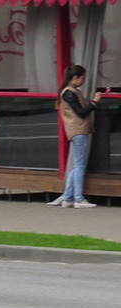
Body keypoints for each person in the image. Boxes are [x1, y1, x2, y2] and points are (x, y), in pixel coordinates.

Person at [57, 64, 100, 209]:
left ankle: (68, 197)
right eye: (82, 78)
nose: (83, 81)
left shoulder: (69, 92)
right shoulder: (70, 93)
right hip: (79, 130)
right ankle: (78, 198)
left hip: (77, 131)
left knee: (77, 166)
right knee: (80, 165)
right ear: (75, 78)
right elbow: (81, 113)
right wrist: (94, 102)